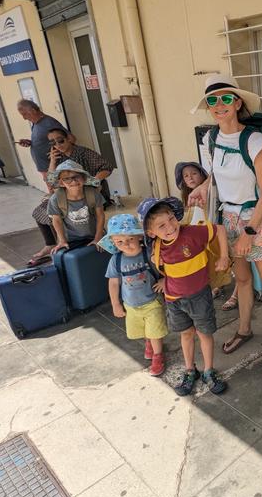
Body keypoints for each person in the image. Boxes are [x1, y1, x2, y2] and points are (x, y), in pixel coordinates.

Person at [188, 75, 262, 365]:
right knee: (242, 279)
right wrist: (202, 186)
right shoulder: (211, 139)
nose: (219, 105)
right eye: (212, 100)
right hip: (228, 219)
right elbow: (216, 175)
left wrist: (249, 231)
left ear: (237, 102)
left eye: (225, 98)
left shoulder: (254, 140)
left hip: (254, 219)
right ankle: (244, 329)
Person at [138, 197, 229, 396]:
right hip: (174, 299)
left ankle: (208, 371)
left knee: (204, 333)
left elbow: (219, 229)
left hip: (199, 296)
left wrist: (224, 256)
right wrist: (164, 280)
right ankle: (190, 371)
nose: (170, 226)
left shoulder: (192, 233)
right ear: (151, 232)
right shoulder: (156, 246)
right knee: (186, 334)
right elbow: (165, 267)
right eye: (162, 225)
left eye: (171, 218)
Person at [29, 127, 115, 265]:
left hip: (89, 192)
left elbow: (107, 167)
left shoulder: (83, 152)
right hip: (65, 195)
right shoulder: (56, 157)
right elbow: (51, 182)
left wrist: (92, 182)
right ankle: (54, 242)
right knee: (42, 212)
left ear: (69, 138)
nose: (58, 145)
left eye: (60, 140)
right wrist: (52, 161)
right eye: (53, 143)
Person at [100, 214, 167, 377]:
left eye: (130, 239)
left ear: (138, 236)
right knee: (143, 329)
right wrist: (115, 304)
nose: (126, 244)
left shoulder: (149, 253)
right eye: (119, 242)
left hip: (153, 302)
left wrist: (165, 280)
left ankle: (158, 356)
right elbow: (114, 283)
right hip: (131, 305)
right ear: (114, 243)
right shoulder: (116, 260)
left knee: (155, 331)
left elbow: (166, 267)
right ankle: (148, 342)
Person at [175, 160, 238, 307]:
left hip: (219, 235)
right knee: (214, 265)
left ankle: (236, 294)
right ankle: (219, 286)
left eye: (194, 173)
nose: (190, 178)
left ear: (203, 176)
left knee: (234, 266)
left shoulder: (211, 193)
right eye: (186, 176)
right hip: (204, 240)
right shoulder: (189, 198)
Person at [47, 160, 105, 254]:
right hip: (70, 239)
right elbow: (56, 220)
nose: (73, 181)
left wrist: (98, 237)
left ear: (84, 178)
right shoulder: (56, 199)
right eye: (67, 179)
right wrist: (62, 240)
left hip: (93, 235)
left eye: (76, 176)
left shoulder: (93, 194)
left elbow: (100, 215)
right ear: (61, 183)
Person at [15, 99, 65, 184]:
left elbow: (70, 139)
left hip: (52, 167)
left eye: (25, 114)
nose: (24, 118)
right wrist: (31, 142)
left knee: (57, 191)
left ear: (33, 110)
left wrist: (56, 153)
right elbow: (45, 140)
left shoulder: (49, 122)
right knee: (52, 192)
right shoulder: (36, 123)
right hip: (44, 167)